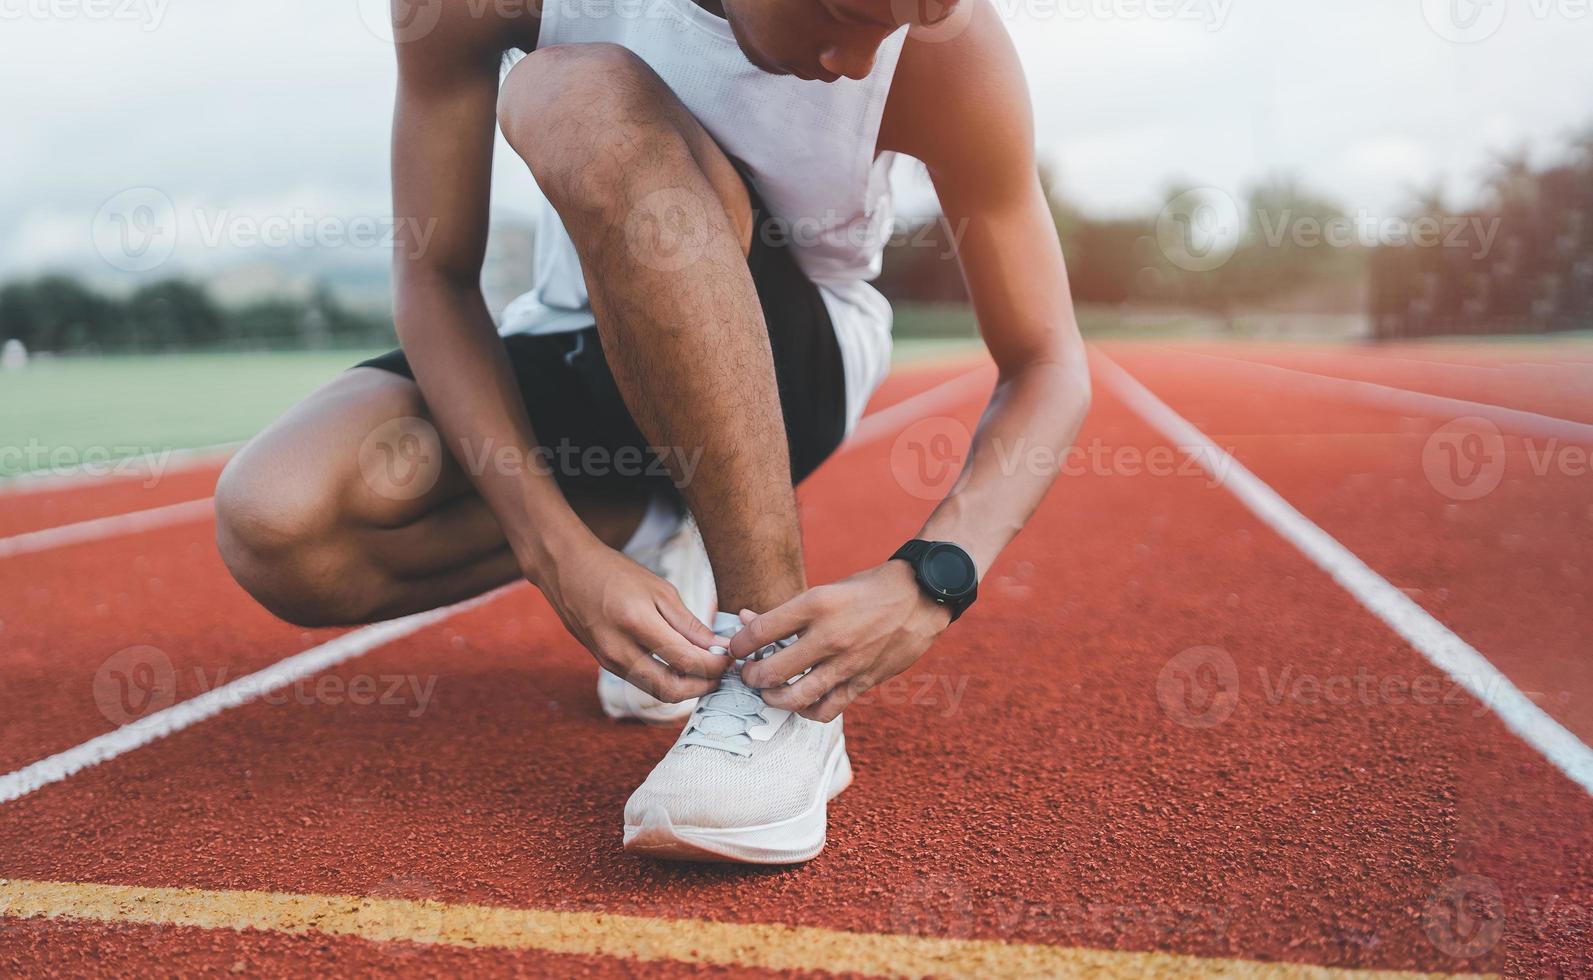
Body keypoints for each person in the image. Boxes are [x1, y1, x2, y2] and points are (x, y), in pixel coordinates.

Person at [214, 0, 1090, 864]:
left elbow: (1048, 361)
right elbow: (437, 281)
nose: (855, 63)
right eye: (842, 14)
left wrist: (930, 581)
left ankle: (776, 683)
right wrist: (555, 551)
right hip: (574, 342)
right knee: (280, 523)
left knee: (577, 95)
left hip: (793, 369)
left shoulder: (946, 42)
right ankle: (647, 524)